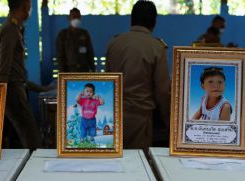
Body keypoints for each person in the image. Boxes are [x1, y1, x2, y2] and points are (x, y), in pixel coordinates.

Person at [105, 0, 170, 150]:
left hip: (113, 115)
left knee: (117, 161)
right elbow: (162, 90)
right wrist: (168, 119)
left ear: (132, 19)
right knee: (139, 163)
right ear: (154, 22)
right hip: (141, 118)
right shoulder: (156, 47)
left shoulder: (114, 43)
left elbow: (107, 81)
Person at [0, 0, 42, 149]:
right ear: (25, 7)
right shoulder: (10, 29)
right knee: (31, 136)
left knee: (26, 134)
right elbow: (4, 67)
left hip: (15, 87)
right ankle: (33, 169)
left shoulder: (13, 27)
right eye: (30, 6)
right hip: (12, 90)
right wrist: (3, 95)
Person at [56, 8, 95, 72]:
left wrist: (92, 69)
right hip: (69, 70)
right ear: (69, 18)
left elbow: (90, 53)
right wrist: (62, 72)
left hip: (84, 69)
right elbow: (60, 55)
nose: (76, 19)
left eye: (78, 17)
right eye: (74, 17)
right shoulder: (63, 34)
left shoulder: (84, 33)